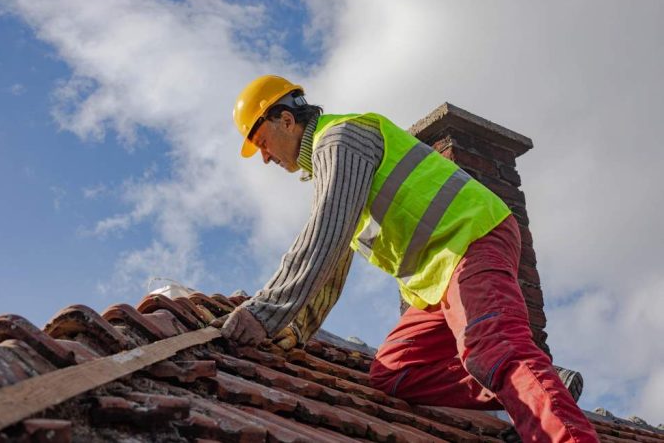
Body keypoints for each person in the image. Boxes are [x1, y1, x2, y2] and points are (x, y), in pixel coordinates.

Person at [219, 75, 598, 442]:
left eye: (262, 142)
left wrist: (264, 313)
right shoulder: (330, 165)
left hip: (469, 240)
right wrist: (293, 330)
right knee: (396, 372)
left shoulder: (339, 139)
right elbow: (332, 263)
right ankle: (536, 384)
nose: (265, 158)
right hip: (435, 279)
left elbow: (325, 234)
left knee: (493, 348)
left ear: (285, 119)